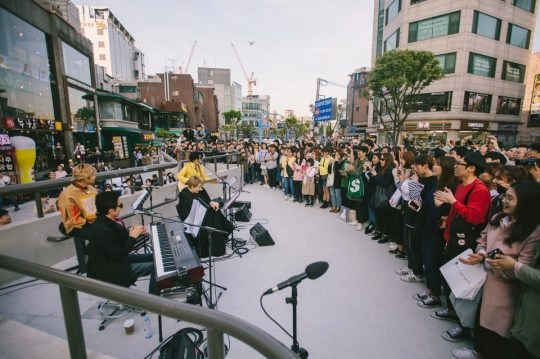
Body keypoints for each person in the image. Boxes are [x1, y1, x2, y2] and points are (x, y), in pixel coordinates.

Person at [451, 181, 540, 359]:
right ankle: (478, 352)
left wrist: (507, 265)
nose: (504, 201)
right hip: (486, 279)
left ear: (526, 203)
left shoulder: (533, 232)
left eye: (510, 198)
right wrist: (482, 254)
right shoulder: (498, 218)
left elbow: (524, 266)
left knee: (497, 332)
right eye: (504, 196)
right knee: (481, 321)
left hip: (506, 289)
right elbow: (483, 239)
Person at [432, 151, 491, 342]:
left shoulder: (480, 190)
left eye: (460, 163)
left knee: (462, 282)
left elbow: (476, 217)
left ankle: (463, 325)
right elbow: (457, 211)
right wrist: (446, 220)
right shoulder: (459, 185)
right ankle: (451, 311)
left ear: (472, 168)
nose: (456, 166)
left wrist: (453, 202)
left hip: (467, 243)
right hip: (452, 236)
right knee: (449, 276)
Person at [87, 191, 158, 295]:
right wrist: (132, 237)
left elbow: (121, 239)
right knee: (157, 267)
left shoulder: (107, 221)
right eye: (120, 205)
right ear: (111, 210)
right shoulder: (101, 230)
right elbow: (119, 254)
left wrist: (133, 233)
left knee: (155, 257)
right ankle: (154, 302)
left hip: (116, 261)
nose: (121, 207)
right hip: (110, 271)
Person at [176, 176, 233, 258]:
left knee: (215, 211)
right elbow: (188, 215)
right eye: (198, 187)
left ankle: (222, 237)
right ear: (192, 186)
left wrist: (211, 203)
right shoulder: (185, 196)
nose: (200, 189)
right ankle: (219, 245)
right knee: (215, 214)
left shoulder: (193, 192)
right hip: (193, 223)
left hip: (199, 216)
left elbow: (203, 202)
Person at [56, 164, 98, 239]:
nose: (95, 176)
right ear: (85, 176)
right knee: (102, 233)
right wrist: (94, 223)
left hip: (93, 221)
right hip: (76, 226)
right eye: (93, 175)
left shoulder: (90, 188)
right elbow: (73, 220)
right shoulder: (68, 194)